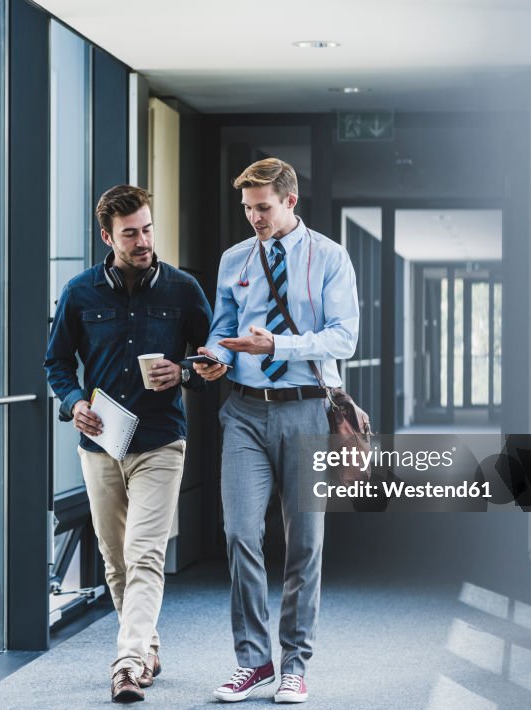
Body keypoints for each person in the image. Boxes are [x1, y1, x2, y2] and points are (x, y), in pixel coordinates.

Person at [194, 158, 359, 704]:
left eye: (262, 207)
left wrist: (279, 347)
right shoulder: (235, 259)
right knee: (241, 533)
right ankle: (253, 661)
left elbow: (343, 339)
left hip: (308, 410)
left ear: (290, 201)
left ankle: (295, 662)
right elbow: (222, 329)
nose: (254, 218)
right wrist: (215, 357)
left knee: (304, 544)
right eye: (246, 208)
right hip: (243, 411)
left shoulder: (330, 257)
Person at [44, 185, 213, 703]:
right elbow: (56, 364)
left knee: (144, 555)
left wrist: (182, 370)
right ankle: (147, 646)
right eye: (129, 234)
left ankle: (125, 662)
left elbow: (212, 362)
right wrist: (74, 403)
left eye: (146, 229)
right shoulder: (79, 292)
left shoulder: (183, 290)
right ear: (107, 237)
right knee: (115, 559)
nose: (142, 241)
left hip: (161, 441)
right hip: (100, 446)